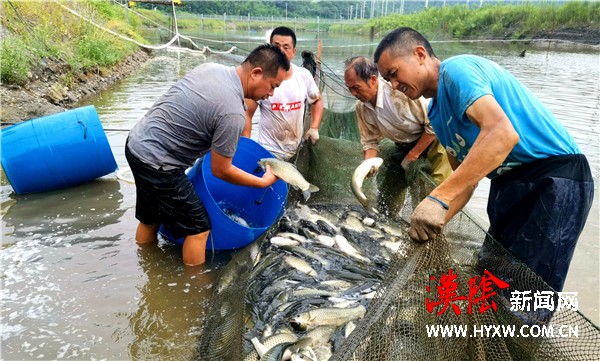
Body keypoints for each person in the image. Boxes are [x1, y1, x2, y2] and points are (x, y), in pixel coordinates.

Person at [374, 27, 594, 292]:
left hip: (554, 178)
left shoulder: (456, 70)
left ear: (420, 54)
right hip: (507, 184)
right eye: (388, 81)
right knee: (492, 278)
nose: (394, 86)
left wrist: (437, 198)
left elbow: (502, 134)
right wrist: (434, 223)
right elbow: (465, 182)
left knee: (527, 291)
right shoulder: (435, 113)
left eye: (394, 74)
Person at [125, 44, 290, 267]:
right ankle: (194, 292)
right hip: (158, 164)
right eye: (273, 86)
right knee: (199, 228)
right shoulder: (233, 112)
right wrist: (261, 182)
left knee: (151, 216)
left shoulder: (210, 68)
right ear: (256, 73)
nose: (271, 94)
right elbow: (220, 170)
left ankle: (143, 266)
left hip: (136, 144)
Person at [343, 56, 452, 186]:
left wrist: (413, 155)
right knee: (392, 185)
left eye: (356, 87)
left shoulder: (400, 93)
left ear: (373, 80)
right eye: (350, 89)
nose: (353, 93)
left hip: (436, 139)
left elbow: (434, 123)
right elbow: (370, 141)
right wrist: (368, 164)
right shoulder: (361, 107)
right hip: (404, 144)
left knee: (434, 189)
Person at [244, 26, 324, 161]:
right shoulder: (260, 78)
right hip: (267, 151)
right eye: (276, 46)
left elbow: (317, 100)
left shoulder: (303, 75)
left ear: (293, 52)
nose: (281, 51)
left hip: (295, 150)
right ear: (269, 49)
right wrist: (246, 148)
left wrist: (314, 127)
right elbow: (247, 114)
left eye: (286, 47)